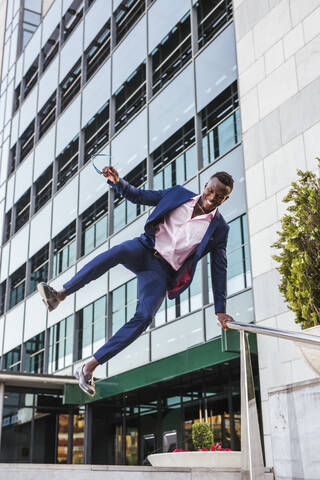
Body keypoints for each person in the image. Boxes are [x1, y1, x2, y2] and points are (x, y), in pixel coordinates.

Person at [38, 166, 235, 397]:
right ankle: (59, 294)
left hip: (161, 272)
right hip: (144, 248)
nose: (212, 199)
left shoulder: (219, 230)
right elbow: (140, 196)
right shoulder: (178, 194)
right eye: (211, 191)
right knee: (116, 252)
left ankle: (89, 367)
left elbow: (219, 269)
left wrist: (220, 310)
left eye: (219, 197)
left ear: (225, 198)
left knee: (144, 318)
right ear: (205, 186)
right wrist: (118, 182)